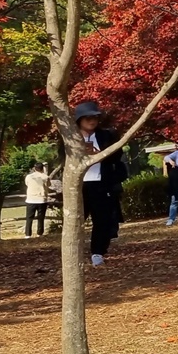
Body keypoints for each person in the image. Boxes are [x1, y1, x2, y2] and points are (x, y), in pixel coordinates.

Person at [72, 100, 127, 267]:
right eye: (87, 118)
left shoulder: (106, 136)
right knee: (75, 221)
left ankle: (98, 252)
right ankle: (73, 254)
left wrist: (99, 154)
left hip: (101, 184)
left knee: (102, 220)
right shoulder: (70, 137)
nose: (92, 121)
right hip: (78, 185)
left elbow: (117, 156)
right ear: (79, 120)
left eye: (95, 117)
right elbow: (63, 158)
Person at [23, 161, 50, 237]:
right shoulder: (45, 177)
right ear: (42, 168)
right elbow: (48, 185)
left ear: (34, 168)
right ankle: (40, 233)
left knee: (29, 218)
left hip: (30, 199)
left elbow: (27, 184)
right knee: (41, 218)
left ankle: (28, 234)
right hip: (41, 199)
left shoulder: (29, 177)